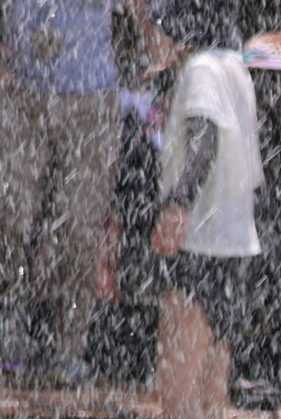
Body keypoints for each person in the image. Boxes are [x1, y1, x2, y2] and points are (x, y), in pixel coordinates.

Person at [0, 0, 167, 381]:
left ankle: (69, 346)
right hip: (21, 91)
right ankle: (8, 321)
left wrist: (157, 52)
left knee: (79, 228)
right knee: (10, 216)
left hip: (91, 99)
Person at [148, 0, 260, 419]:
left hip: (202, 246)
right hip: (238, 249)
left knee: (176, 391)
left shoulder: (201, 70)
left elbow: (203, 138)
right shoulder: (236, 66)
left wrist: (177, 203)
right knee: (213, 394)